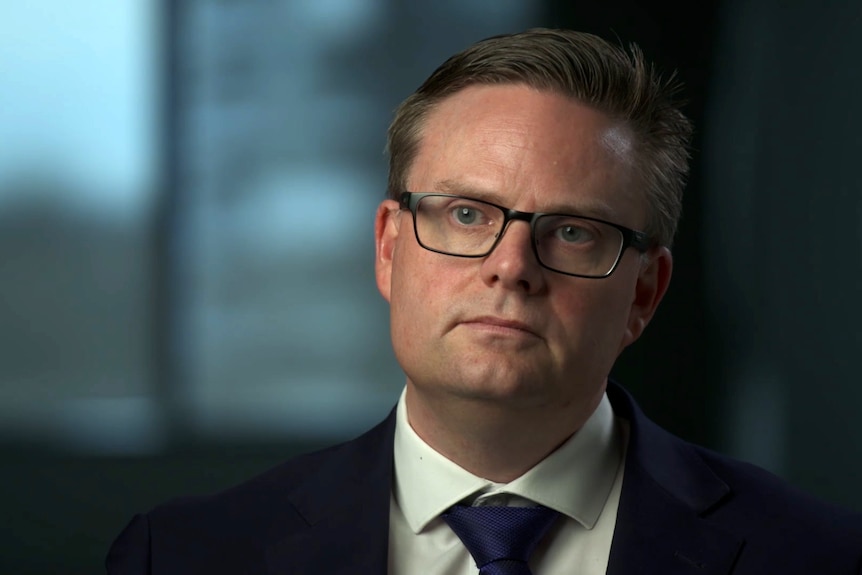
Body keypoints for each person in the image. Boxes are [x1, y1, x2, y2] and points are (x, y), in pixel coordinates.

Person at [106, 28, 862, 574]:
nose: (511, 267)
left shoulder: (818, 556)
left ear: (645, 293)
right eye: (466, 213)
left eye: (572, 231)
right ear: (390, 250)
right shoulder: (179, 556)